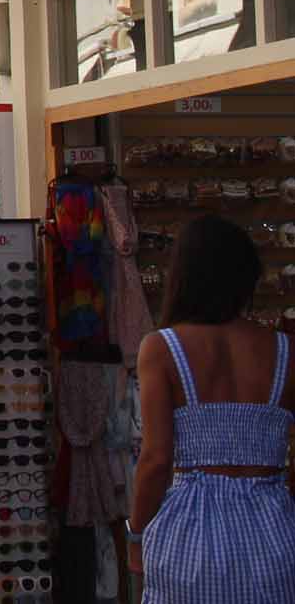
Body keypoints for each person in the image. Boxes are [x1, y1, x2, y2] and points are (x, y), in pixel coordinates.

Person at [129, 214, 295, 604]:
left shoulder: (161, 348)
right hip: (272, 534)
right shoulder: (286, 352)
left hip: (190, 536)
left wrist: (136, 534)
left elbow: (155, 460)